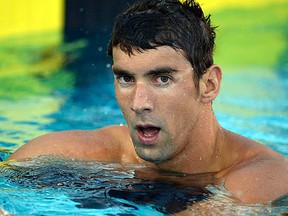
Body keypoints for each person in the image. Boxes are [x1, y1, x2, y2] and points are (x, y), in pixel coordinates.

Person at [8, 0, 287, 205]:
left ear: (209, 85)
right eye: (126, 79)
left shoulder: (263, 177)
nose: (139, 103)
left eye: (162, 79)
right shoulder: (94, 154)